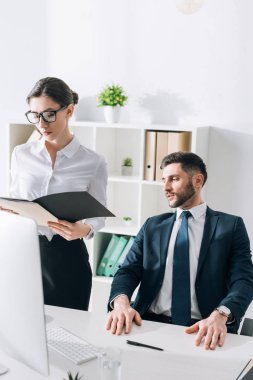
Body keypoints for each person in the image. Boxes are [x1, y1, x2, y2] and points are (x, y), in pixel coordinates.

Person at [106, 151, 253, 349]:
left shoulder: (230, 226)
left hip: (204, 328)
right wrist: (121, 302)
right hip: (147, 324)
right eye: (164, 180)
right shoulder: (152, 225)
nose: (166, 187)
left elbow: (244, 281)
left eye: (174, 179)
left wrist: (221, 315)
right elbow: (128, 270)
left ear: (198, 180)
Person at [8, 77, 107, 311]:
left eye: (49, 114)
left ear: (69, 110)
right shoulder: (21, 154)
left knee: (70, 332)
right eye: (35, 115)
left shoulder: (93, 162)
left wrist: (84, 229)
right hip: (25, 253)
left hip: (69, 256)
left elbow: (99, 214)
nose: (41, 123)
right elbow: (15, 199)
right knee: (23, 330)